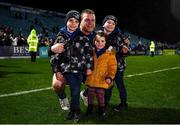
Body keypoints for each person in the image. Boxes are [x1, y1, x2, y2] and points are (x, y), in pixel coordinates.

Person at [49, 10, 81, 111]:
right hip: (64, 69)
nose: (73, 23)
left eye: (76, 21)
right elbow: (54, 57)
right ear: (66, 21)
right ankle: (63, 98)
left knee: (100, 78)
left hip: (80, 69)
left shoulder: (83, 35)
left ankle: (84, 94)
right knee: (57, 85)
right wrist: (57, 70)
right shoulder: (61, 37)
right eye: (71, 20)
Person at [101, 15, 130, 112]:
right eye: (108, 22)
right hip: (106, 66)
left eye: (113, 24)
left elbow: (125, 51)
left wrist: (123, 51)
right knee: (107, 84)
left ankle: (123, 103)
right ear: (104, 23)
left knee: (119, 84)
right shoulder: (99, 34)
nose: (110, 25)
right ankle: (105, 103)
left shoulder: (119, 36)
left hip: (118, 65)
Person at [85, 30, 117, 117]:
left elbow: (112, 67)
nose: (100, 43)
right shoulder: (91, 51)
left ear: (106, 42)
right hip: (91, 79)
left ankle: (101, 110)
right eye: (97, 41)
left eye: (102, 41)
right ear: (94, 41)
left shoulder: (110, 54)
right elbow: (85, 62)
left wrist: (110, 77)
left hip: (102, 80)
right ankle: (89, 109)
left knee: (100, 96)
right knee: (90, 96)